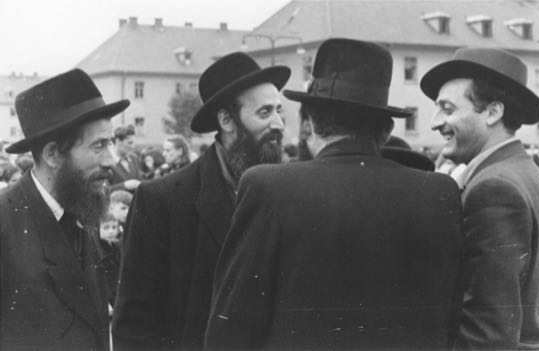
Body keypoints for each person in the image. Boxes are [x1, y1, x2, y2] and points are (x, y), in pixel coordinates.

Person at [204, 39, 463, 350]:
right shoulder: (439, 193)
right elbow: (450, 321)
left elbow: (229, 329)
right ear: (385, 131)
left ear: (311, 123)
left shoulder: (269, 188)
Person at [112, 52, 291, 350]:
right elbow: (133, 326)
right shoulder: (161, 200)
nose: (279, 124)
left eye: (279, 111)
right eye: (265, 113)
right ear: (226, 120)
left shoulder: (286, 193)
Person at [420, 47, 539, 349]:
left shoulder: (494, 187)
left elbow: (488, 330)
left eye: (448, 109)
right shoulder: (520, 170)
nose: (435, 122)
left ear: (493, 112)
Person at [0, 68, 129, 350]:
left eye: (111, 143)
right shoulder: (4, 222)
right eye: (99, 146)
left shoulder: (83, 206)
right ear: (53, 154)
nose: (112, 160)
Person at [108, 125, 142, 192]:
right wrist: (124, 185)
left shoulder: (134, 159)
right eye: (129, 143)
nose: (133, 146)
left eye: (133, 143)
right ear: (118, 141)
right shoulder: (107, 163)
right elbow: (103, 191)